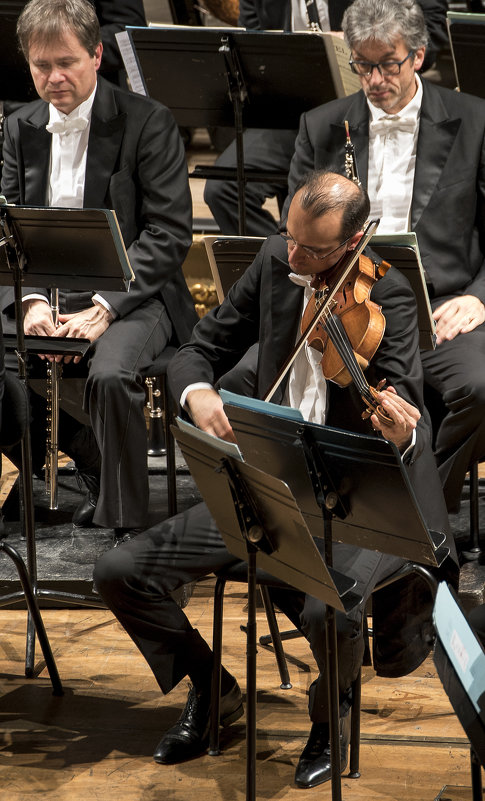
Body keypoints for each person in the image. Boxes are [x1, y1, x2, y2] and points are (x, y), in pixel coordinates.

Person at [94, 171, 456, 788]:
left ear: (355, 241)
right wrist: (201, 394)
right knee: (122, 572)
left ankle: (330, 717)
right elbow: (196, 350)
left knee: (329, 609)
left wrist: (399, 429)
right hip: (272, 483)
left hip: (364, 498)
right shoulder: (272, 261)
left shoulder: (388, 296)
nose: (294, 256)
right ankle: (214, 690)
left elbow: (403, 414)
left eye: (313, 250)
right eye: (289, 238)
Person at [0, 0, 197, 538]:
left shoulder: (146, 121)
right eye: (41, 66)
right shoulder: (19, 125)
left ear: (96, 54)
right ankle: (86, 454)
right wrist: (33, 300)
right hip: (46, 292)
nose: (54, 77)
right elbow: (8, 226)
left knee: (111, 375)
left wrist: (106, 308)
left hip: (135, 294)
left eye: (67, 62)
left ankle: (127, 525)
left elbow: (169, 233)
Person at [283, 0, 485, 516]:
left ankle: (417, 512)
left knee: (480, 388)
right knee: (252, 377)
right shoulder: (321, 126)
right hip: (348, 307)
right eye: (362, 65)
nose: (374, 79)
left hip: (442, 310)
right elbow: (298, 231)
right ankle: (315, 511)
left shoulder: (475, 121)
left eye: (387, 64)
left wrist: (478, 298)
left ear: (418, 55)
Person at [203, 0, 448, 236]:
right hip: (293, 111)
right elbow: (254, 45)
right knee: (223, 188)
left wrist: (357, 47)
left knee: (366, 192)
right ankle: (287, 265)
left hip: (368, 104)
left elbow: (432, 30)